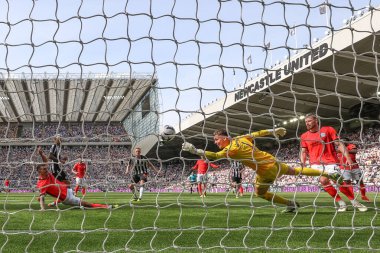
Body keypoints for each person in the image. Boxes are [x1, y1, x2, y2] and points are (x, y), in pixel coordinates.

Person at [182, 128, 343, 213]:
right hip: (274, 161)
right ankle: (329, 173)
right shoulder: (240, 138)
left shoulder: (231, 149)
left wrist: (195, 151)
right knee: (296, 170)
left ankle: (290, 204)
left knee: (260, 193)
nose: (216, 142)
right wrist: (274, 131)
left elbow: (215, 156)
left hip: (266, 172)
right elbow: (257, 133)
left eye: (216, 140)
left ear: (224, 138)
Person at [300, 113, 367, 212]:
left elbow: (339, 144)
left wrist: (348, 158)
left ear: (316, 120)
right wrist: (302, 164)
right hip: (315, 164)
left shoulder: (328, 130)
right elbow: (303, 151)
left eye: (309, 121)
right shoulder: (304, 136)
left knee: (338, 182)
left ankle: (354, 202)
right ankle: (341, 203)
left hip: (330, 162)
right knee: (323, 181)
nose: (307, 123)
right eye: (306, 122)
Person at [36, 163, 113, 210]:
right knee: (86, 204)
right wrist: (42, 208)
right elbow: (42, 197)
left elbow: (45, 161)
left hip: (67, 189)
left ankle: (54, 203)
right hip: (67, 198)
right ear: (39, 171)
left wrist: (41, 154)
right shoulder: (42, 184)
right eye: (44, 169)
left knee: (66, 181)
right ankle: (105, 206)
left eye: (46, 169)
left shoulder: (48, 174)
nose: (47, 170)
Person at [337, 137, 370, 202]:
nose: (343, 142)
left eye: (344, 141)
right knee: (347, 182)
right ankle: (353, 198)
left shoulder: (351, 145)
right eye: (341, 141)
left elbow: (354, 151)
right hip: (344, 168)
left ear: (348, 142)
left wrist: (344, 151)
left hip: (354, 167)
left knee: (360, 181)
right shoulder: (338, 148)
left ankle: (363, 195)